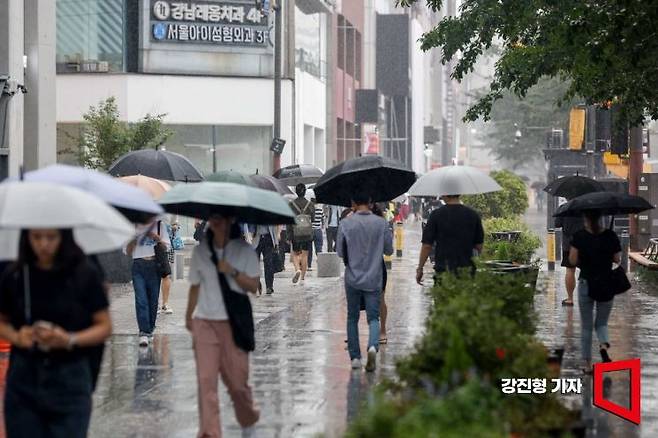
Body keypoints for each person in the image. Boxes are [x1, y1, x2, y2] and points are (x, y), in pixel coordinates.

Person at [0, 229, 112, 438]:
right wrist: (17, 337)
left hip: (70, 377)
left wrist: (69, 339)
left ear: (64, 236)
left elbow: (104, 326)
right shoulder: (16, 274)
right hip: (24, 378)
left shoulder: (84, 273)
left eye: (51, 237)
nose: (43, 244)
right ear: (27, 237)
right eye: (37, 237)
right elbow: (2, 321)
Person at [185, 215, 261, 438]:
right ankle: (210, 432)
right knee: (206, 382)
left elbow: (254, 286)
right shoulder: (201, 252)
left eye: (222, 217)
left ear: (231, 221)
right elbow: (195, 287)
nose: (216, 221)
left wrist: (231, 271)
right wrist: (189, 316)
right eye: (213, 217)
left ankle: (248, 418)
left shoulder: (244, 251)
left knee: (238, 384)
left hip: (233, 324)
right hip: (205, 324)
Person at [337, 192, 393, 372]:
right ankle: (372, 347)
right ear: (370, 201)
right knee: (373, 317)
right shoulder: (381, 223)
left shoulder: (346, 224)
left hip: (352, 277)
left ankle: (355, 358)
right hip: (374, 277)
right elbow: (389, 250)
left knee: (352, 317)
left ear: (353, 201)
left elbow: (339, 252)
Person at [568, 211, 621, 373]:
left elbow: (572, 261)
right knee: (602, 322)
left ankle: (587, 364)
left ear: (586, 219)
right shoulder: (611, 236)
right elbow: (617, 259)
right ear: (601, 218)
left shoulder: (579, 236)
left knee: (586, 326)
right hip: (606, 283)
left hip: (586, 283)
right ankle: (603, 345)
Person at [416, 194, 484, 284]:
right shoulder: (473, 215)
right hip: (466, 271)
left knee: (443, 297)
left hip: (443, 270)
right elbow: (479, 246)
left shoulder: (436, 215)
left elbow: (427, 246)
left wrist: (420, 268)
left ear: (445, 194)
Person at [126, 219, 170, 347]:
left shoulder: (158, 225)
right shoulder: (132, 226)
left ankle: (150, 329)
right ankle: (144, 332)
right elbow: (127, 251)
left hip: (154, 265)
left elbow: (167, 246)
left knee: (153, 300)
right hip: (138, 266)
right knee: (141, 300)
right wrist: (135, 239)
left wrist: (157, 238)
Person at [288, 184, 315, 286]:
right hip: (307, 233)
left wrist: (288, 235)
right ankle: (303, 277)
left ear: (296, 191)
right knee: (305, 255)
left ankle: (297, 270)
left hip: (295, 233)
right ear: (304, 192)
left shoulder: (291, 205)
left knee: (295, 254)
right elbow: (313, 219)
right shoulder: (310, 204)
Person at [555, 214, 584, 306]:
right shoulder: (587, 206)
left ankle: (570, 298)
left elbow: (557, 224)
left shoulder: (565, 209)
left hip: (569, 245)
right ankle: (588, 297)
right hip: (585, 243)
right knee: (587, 270)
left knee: (570, 270)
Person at [253, 224, 278, 295]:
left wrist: (276, 242)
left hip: (268, 238)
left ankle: (269, 286)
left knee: (269, 263)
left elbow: (274, 227)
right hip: (255, 238)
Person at [307, 199, 325, 270]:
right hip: (318, 230)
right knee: (319, 248)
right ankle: (321, 265)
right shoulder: (320, 211)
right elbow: (323, 221)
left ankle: (309, 266)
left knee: (309, 249)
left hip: (310, 231)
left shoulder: (308, 211)